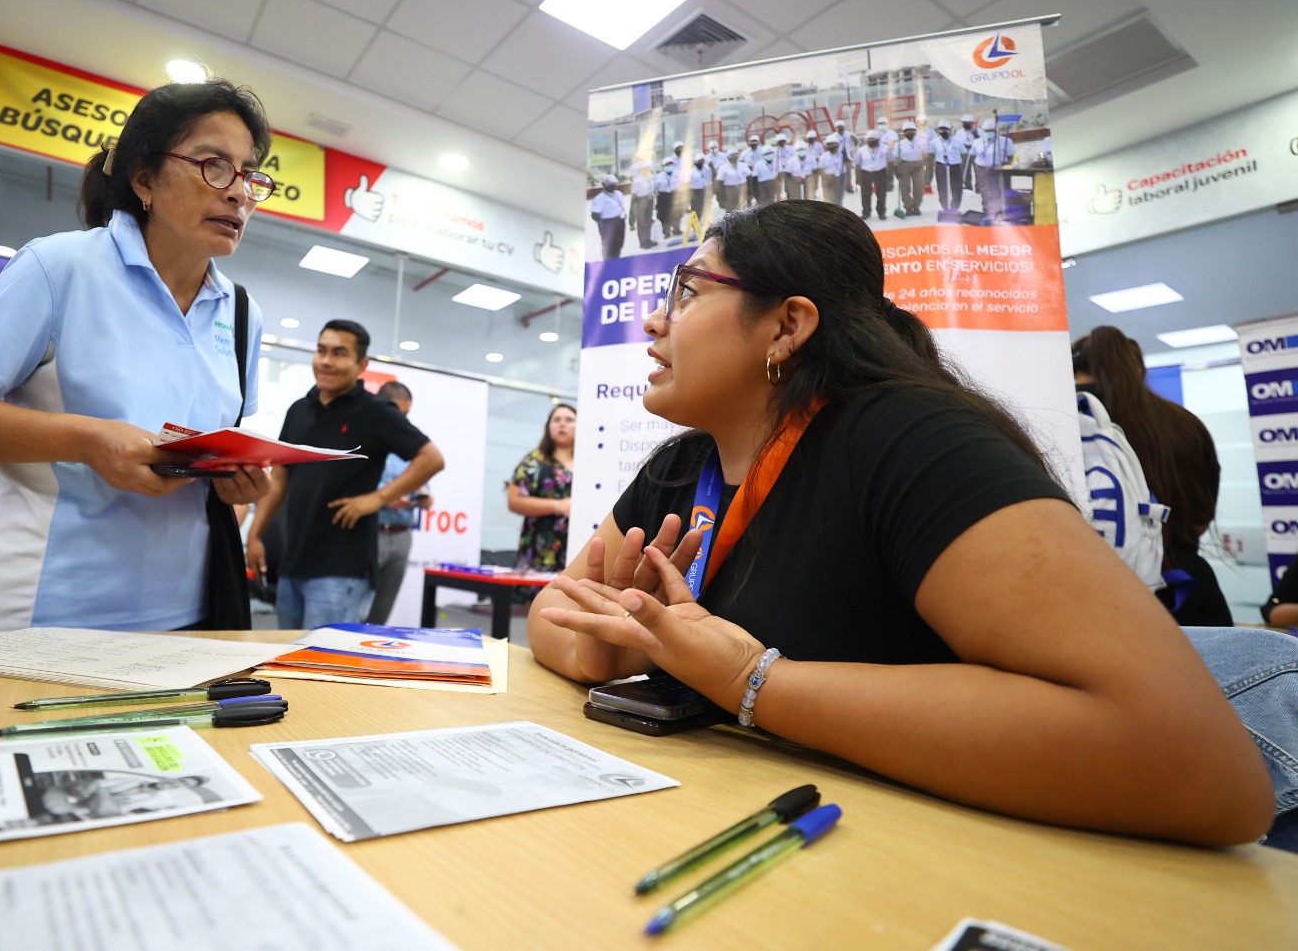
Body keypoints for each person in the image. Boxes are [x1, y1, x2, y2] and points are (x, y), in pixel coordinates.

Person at [526, 201, 1272, 847]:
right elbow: (551, 611)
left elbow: (1197, 765)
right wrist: (606, 651)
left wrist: (750, 680)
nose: (655, 318)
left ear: (787, 325)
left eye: (687, 292)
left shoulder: (908, 442)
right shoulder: (680, 466)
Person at [0, 79, 276, 631]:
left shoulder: (242, 313)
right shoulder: (60, 268)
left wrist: (235, 482)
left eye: (250, 174)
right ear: (143, 177)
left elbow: (216, 459)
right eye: (213, 165)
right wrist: (86, 440)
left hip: (191, 610)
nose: (238, 192)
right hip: (47, 607)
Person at [246, 320, 445, 629]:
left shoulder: (376, 412)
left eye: (339, 353)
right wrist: (255, 534)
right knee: (285, 659)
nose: (326, 361)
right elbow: (281, 475)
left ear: (361, 364)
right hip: (292, 563)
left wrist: (377, 499)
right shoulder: (299, 410)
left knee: (324, 665)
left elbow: (431, 458)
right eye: (321, 351)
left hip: (341, 569)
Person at [1072, 327, 1232, 626]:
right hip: (1189, 591)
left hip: (1097, 594)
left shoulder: (1064, 421)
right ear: (1138, 369)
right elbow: (1200, 518)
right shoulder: (1184, 425)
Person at [366, 380, 433, 625]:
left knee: (382, 610)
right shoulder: (365, 439)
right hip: (370, 532)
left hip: (402, 534)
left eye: (406, 415)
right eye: (398, 414)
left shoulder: (411, 445)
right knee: (357, 606)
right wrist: (385, 498)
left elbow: (426, 488)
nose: (403, 421)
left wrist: (424, 495)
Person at [507, 403, 575, 572]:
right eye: (557, 419)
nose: (562, 424)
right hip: (539, 551)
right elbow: (513, 501)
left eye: (569, 420)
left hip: (577, 548)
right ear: (548, 427)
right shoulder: (533, 461)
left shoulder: (591, 461)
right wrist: (558, 506)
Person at [972, 118, 1015, 221]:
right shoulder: (977, 142)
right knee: (986, 191)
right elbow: (974, 155)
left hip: (999, 169)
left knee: (1000, 191)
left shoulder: (1005, 141)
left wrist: (1004, 165)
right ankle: (987, 213)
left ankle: (1001, 213)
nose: (989, 133)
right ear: (983, 131)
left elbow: (1011, 156)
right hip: (982, 169)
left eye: (992, 131)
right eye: (987, 131)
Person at [589, 175, 627, 261]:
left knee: (619, 243)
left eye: (615, 183)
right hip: (608, 223)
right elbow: (595, 215)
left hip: (620, 221)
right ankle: (608, 263)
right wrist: (604, 226)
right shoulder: (600, 198)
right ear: (605, 185)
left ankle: (616, 259)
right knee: (609, 246)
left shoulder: (619, 194)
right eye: (611, 184)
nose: (614, 185)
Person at [854, 130, 889, 221]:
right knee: (865, 194)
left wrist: (890, 176)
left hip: (880, 172)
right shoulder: (861, 150)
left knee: (881, 194)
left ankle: (881, 212)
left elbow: (890, 162)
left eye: (873, 139)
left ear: (878, 139)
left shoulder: (885, 149)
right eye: (869, 139)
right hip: (866, 173)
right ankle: (866, 212)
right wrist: (858, 177)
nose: (871, 141)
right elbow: (857, 164)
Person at [932, 120, 965, 213]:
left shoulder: (957, 142)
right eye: (942, 129)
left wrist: (957, 162)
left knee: (957, 188)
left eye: (946, 129)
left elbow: (963, 154)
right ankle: (945, 208)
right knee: (942, 188)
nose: (944, 131)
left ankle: (954, 208)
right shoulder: (934, 142)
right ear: (938, 130)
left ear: (950, 130)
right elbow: (930, 155)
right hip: (941, 167)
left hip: (955, 167)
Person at [895, 122, 925, 216]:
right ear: (904, 133)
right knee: (905, 188)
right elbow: (896, 158)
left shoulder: (921, 141)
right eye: (907, 131)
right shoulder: (900, 144)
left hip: (918, 165)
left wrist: (924, 165)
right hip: (904, 165)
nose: (909, 133)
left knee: (919, 187)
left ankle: (916, 206)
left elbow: (925, 155)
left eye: (911, 131)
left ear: (915, 131)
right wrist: (896, 169)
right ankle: (908, 207)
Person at [629, 162, 656, 250]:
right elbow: (634, 195)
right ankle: (643, 242)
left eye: (647, 168)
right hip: (641, 200)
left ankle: (648, 239)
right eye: (644, 169)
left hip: (650, 199)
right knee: (641, 222)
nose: (646, 170)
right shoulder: (638, 181)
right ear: (639, 171)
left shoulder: (651, 178)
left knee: (648, 220)